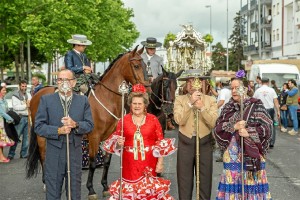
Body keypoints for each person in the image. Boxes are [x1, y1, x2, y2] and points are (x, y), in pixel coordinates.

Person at [103, 84, 176, 200]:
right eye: (134, 103)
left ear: (145, 105)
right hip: (129, 164)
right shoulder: (123, 120)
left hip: (149, 162)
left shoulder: (153, 120)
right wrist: (118, 143)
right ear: (130, 104)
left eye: (139, 103)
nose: (137, 106)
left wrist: (160, 162)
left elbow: (160, 142)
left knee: (148, 193)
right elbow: (116, 145)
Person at [35, 69, 94, 199]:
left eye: (66, 80)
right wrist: (58, 130)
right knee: (53, 193)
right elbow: (38, 127)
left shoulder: (82, 100)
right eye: (60, 80)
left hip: (74, 152)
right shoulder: (46, 100)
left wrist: (76, 124)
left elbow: (90, 126)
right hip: (54, 153)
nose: (62, 83)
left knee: (74, 193)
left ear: (73, 83)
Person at [214, 78, 273, 200]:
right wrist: (233, 126)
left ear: (245, 89)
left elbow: (268, 128)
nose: (234, 91)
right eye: (232, 88)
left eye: (237, 88)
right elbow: (218, 128)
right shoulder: (228, 107)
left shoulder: (256, 106)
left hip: (251, 156)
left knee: (251, 182)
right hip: (232, 156)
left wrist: (249, 132)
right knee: (233, 182)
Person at [174, 69, 218, 200]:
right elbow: (179, 120)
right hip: (185, 142)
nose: (193, 85)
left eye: (197, 81)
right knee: (184, 180)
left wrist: (202, 108)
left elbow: (213, 123)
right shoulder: (180, 99)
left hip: (204, 142)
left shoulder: (210, 100)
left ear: (203, 84)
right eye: (190, 82)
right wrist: (190, 103)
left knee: (205, 179)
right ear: (186, 85)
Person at [7, 80, 32, 159]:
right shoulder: (15, 95)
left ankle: (24, 154)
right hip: (20, 118)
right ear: (19, 86)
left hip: (27, 117)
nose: (24, 88)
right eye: (22, 86)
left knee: (27, 138)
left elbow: (31, 105)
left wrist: (29, 106)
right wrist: (26, 106)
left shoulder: (28, 94)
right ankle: (11, 154)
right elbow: (15, 107)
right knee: (16, 137)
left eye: (25, 86)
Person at [253, 77, 280, 149]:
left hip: (260, 110)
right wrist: (278, 111)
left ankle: (262, 141)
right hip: (270, 110)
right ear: (268, 82)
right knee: (271, 125)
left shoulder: (257, 91)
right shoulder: (272, 90)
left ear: (261, 82)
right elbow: (276, 101)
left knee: (260, 126)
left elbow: (254, 101)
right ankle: (271, 142)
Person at [0, 85, 15, 163]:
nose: (5, 92)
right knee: (1, 139)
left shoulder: (4, 99)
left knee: (2, 140)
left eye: (5, 90)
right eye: (3, 90)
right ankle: (1, 156)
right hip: (0, 121)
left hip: (3, 121)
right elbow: (1, 112)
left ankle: (1, 156)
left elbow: (7, 110)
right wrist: (10, 118)